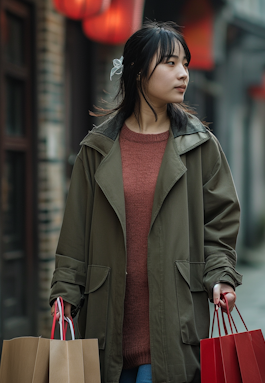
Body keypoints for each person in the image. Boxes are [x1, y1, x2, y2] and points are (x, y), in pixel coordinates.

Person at [49, 21, 242, 383]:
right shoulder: (97, 148)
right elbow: (75, 233)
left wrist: (220, 278)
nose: (183, 73)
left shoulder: (200, 146)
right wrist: (64, 294)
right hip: (107, 325)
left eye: (185, 63)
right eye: (170, 63)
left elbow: (220, 222)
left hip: (175, 319)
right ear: (137, 70)